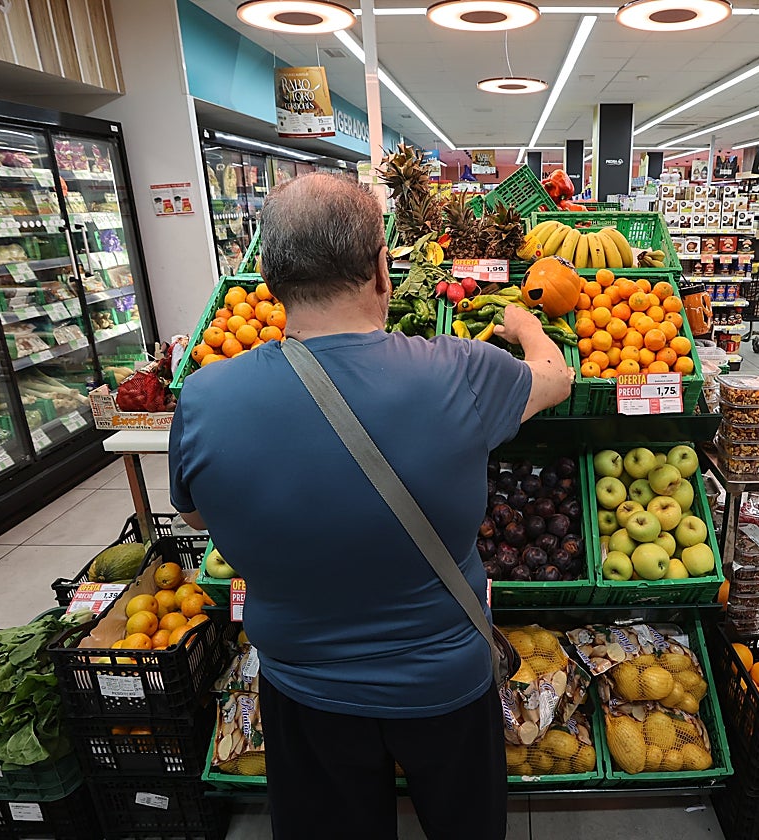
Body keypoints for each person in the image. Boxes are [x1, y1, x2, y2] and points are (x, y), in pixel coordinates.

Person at [169, 173, 572, 839]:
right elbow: (556, 379)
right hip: (446, 687)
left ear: (268, 277)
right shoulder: (462, 370)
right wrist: (525, 321)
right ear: (383, 269)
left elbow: (199, 518)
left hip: (303, 691)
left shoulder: (206, 398)